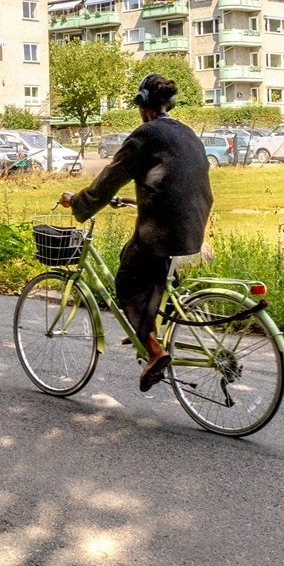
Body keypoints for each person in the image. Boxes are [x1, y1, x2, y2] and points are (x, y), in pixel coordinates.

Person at [59, 72, 213, 392]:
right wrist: (132, 200)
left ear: (143, 105)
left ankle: (155, 351)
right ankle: (153, 326)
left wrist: (78, 204)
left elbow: (107, 180)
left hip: (164, 229)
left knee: (127, 280)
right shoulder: (186, 134)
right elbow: (171, 182)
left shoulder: (144, 136)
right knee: (135, 258)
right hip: (194, 224)